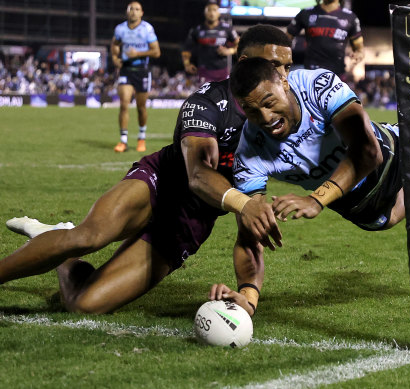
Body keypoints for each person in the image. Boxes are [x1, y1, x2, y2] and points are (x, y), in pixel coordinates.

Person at [0, 26, 295, 317]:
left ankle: (63, 252)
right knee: (90, 236)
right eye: (274, 65)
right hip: (159, 184)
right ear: (244, 63)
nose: (283, 75)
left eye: (288, 67)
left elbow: (250, 233)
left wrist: (248, 296)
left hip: (189, 222)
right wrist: (245, 204)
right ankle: (64, 242)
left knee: (84, 304)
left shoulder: (280, 121)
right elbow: (198, 175)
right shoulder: (207, 102)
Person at [228, 57, 410, 245]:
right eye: (252, 111)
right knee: (386, 221)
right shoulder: (249, 152)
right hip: (361, 206)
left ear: (284, 83)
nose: (265, 117)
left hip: (390, 155)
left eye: (269, 102)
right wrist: (247, 295)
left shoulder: (316, 86)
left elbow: (368, 153)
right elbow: (249, 226)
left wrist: (316, 200)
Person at [111, 1, 161, 153]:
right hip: (126, 70)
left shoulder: (147, 29)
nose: (133, 11)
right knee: (124, 104)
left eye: (137, 9)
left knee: (141, 108)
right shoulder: (120, 29)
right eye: (131, 9)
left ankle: (141, 137)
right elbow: (115, 44)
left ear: (141, 13)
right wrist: (114, 57)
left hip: (142, 71)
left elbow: (156, 52)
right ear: (127, 12)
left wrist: (137, 54)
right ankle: (123, 141)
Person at [286, 0, 364, 79]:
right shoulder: (306, 13)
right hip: (310, 73)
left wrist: (358, 54)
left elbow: (359, 49)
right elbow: (286, 39)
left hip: (337, 74)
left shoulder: (350, 17)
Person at [181, 0, 239, 84]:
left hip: (222, 71)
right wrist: (186, 64)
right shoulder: (197, 30)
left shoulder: (227, 28)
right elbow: (187, 48)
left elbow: (240, 44)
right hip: (204, 71)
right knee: (206, 97)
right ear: (204, 12)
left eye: (214, 10)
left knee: (223, 96)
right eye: (209, 10)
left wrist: (229, 51)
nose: (212, 13)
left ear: (219, 13)